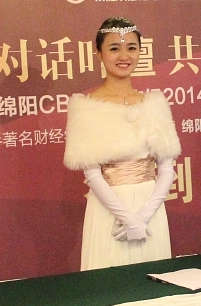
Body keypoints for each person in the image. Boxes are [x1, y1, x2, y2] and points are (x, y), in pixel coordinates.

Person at [64, 17, 181, 271]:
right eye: (114, 48)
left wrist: (143, 217)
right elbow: (93, 175)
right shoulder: (87, 107)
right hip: (109, 212)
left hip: (150, 210)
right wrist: (127, 218)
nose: (124, 56)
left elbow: (167, 169)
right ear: (99, 53)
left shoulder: (154, 103)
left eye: (131, 48)